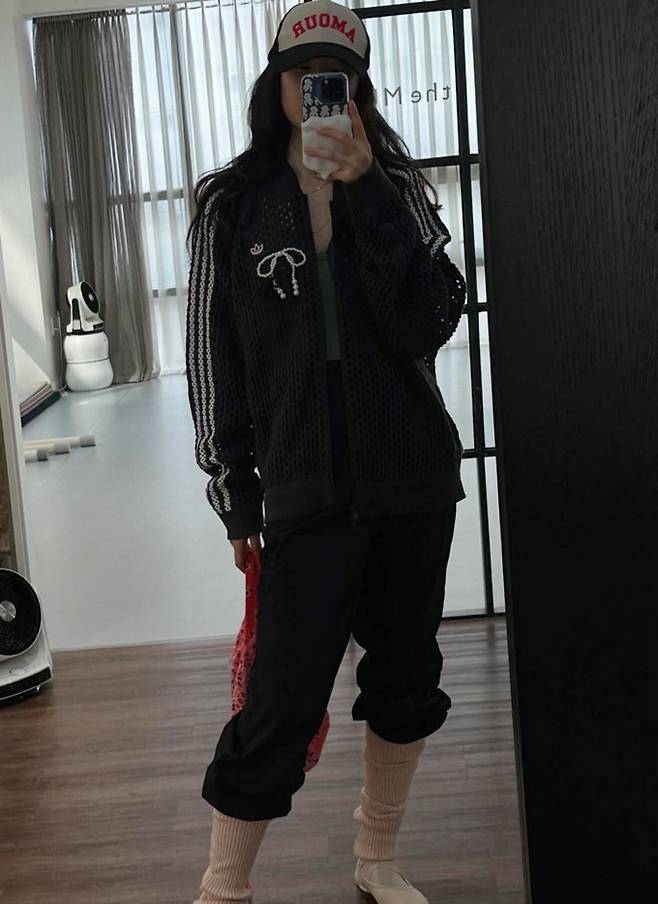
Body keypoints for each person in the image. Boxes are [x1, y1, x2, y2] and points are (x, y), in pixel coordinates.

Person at [184, 2, 467, 901]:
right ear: (276, 84)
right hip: (304, 487)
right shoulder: (230, 205)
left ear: (359, 88)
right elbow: (213, 360)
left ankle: (377, 860)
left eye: (334, 76)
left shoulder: (398, 186)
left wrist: (368, 191)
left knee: (405, 679)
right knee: (278, 703)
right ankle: (223, 888)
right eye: (302, 74)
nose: (317, 89)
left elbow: (430, 320)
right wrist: (235, 494)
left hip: (411, 479)